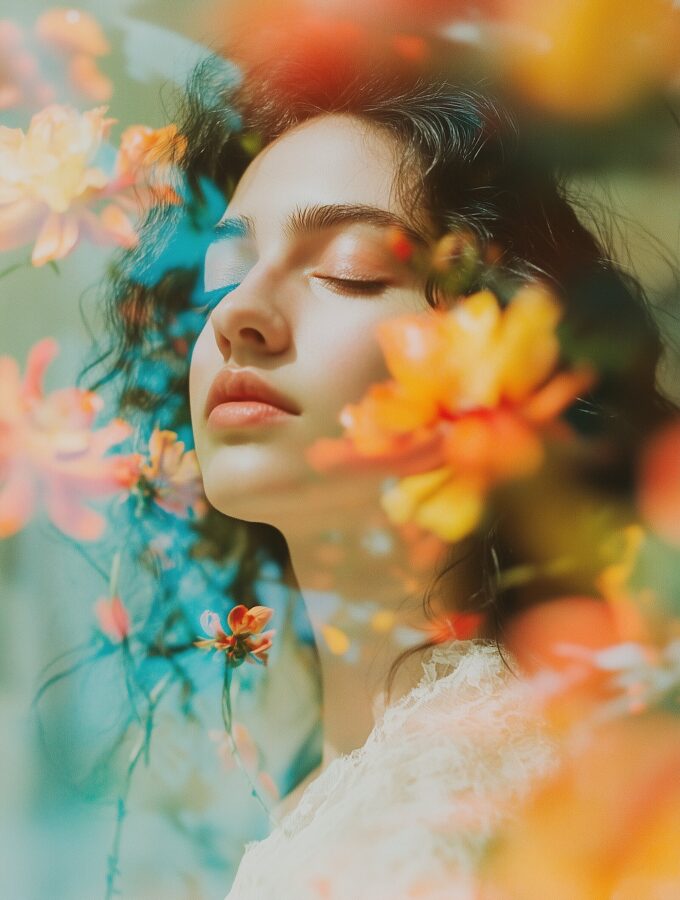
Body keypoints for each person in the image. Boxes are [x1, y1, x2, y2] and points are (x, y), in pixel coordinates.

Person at [104, 16, 671, 898]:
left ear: (501, 354)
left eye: (350, 267)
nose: (237, 313)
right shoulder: (355, 793)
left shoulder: (483, 792)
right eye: (224, 269)